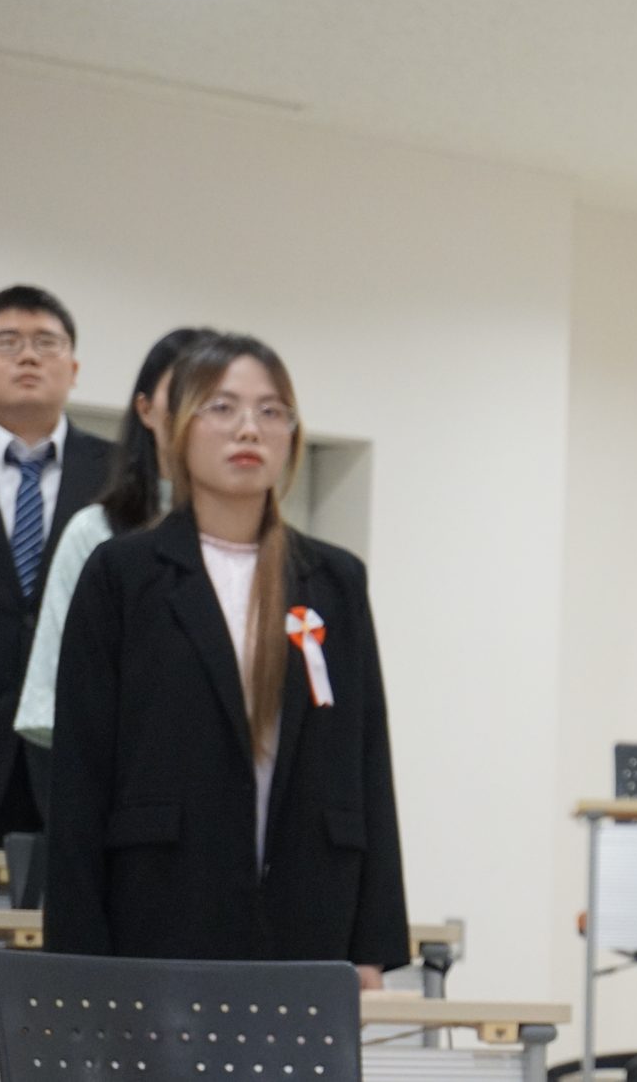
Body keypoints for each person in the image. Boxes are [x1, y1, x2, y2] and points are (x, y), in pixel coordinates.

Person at [45, 334, 406, 983]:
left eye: (272, 411)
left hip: (310, 910)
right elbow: (80, 777)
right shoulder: (123, 574)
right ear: (177, 429)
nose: (249, 428)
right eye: (222, 407)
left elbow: (368, 760)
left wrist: (372, 945)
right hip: (160, 906)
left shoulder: (334, 579)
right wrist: (76, 955)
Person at [0, 286, 112, 848]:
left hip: (83, 758)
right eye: (7, 342)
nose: (28, 357)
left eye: (47, 343)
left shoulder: (123, 479)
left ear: (74, 369)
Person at [15, 327, 218, 748]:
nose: (198, 416)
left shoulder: (263, 543)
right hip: (128, 769)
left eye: (216, 401)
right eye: (182, 394)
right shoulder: (96, 532)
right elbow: (53, 700)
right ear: (145, 409)